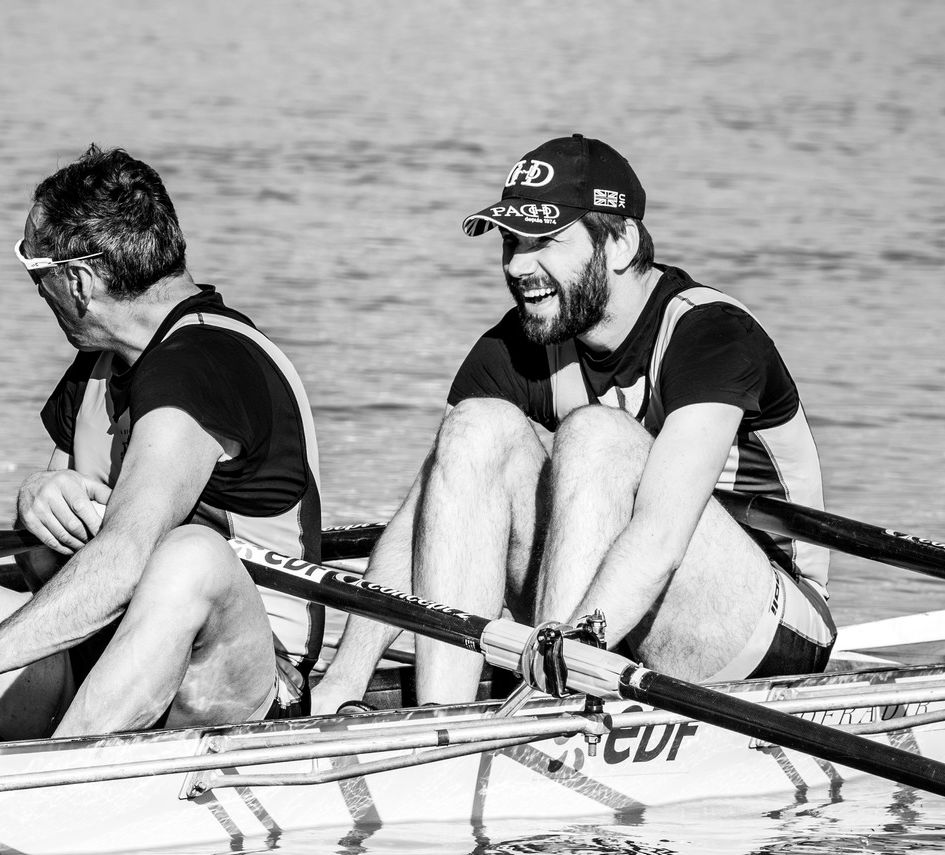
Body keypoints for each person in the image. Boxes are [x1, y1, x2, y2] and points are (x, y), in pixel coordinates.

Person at [0, 146, 324, 751]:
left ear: (77, 281)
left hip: (234, 688)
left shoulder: (206, 364)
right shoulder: (100, 366)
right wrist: (36, 499)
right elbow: (48, 565)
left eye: (37, 273)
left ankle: (48, 789)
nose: (38, 292)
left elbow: (126, 554)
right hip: (97, 662)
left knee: (191, 555)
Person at [312, 133, 833, 711]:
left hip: (763, 626)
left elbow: (660, 538)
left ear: (620, 243)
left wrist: (571, 647)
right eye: (510, 241)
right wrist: (343, 679)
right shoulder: (520, 341)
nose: (517, 265)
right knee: (475, 430)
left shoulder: (709, 334)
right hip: (604, 620)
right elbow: (421, 527)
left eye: (546, 242)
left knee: (593, 436)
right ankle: (447, 719)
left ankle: (548, 699)